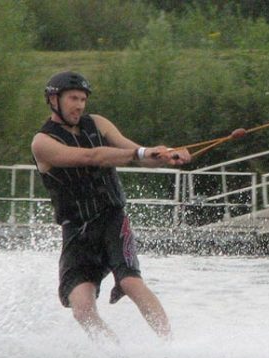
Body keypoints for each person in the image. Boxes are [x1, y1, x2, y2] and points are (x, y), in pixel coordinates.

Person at [30, 71, 192, 341]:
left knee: (130, 281)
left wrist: (166, 156)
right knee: (82, 307)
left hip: (111, 220)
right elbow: (90, 156)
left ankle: (171, 346)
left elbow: (139, 154)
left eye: (83, 99)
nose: (80, 105)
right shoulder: (43, 142)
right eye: (73, 99)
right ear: (53, 100)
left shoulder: (99, 123)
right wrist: (141, 153)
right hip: (76, 231)